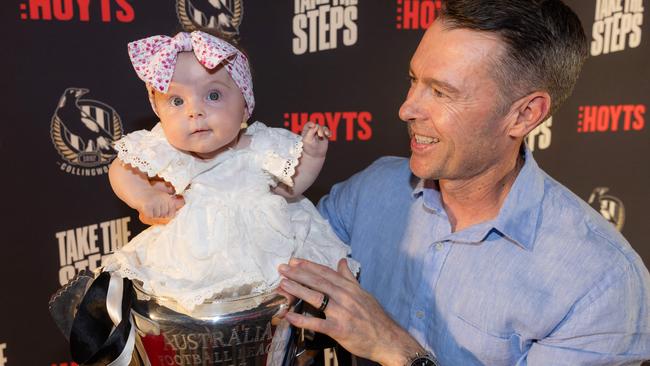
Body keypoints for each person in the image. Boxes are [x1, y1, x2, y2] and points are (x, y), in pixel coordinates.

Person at [275, 0, 650, 365]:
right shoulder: (372, 190)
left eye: (441, 92)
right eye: (413, 80)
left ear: (524, 115)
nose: (406, 109)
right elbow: (275, 259)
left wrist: (398, 352)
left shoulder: (601, 283)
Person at [105, 30, 355, 311]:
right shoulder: (167, 150)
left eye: (212, 95)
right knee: (188, 307)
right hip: (196, 255)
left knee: (280, 305)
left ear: (244, 105)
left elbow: (290, 188)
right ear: (159, 112)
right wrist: (145, 197)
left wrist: (312, 154)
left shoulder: (259, 146)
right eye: (177, 101)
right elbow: (121, 169)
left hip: (263, 251)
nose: (194, 112)